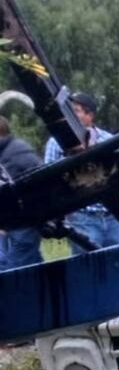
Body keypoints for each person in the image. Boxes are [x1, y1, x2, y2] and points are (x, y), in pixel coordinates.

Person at [44, 92, 119, 254]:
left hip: (113, 215)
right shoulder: (55, 142)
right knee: (88, 266)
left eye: (76, 110)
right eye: (69, 110)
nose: (70, 115)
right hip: (83, 217)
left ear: (89, 115)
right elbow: (49, 180)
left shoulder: (108, 140)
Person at [0, 116, 45, 270]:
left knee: (14, 271)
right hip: (19, 222)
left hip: (23, 222)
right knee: (31, 266)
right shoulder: (14, 149)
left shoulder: (13, 156)